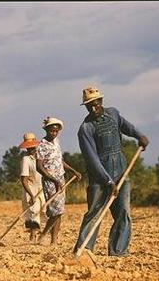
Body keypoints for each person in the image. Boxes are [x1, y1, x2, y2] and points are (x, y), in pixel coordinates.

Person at [73, 86, 149, 257]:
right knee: (94, 213)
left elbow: (126, 126)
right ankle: (84, 251)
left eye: (96, 103)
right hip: (99, 179)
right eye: (89, 105)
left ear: (101, 101)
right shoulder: (85, 129)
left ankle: (118, 251)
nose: (93, 108)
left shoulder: (113, 114)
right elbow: (92, 160)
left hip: (122, 172)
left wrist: (139, 136)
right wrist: (108, 181)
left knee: (123, 212)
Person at [36, 117, 82, 245]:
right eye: (51, 131)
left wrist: (73, 170)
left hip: (61, 179)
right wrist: (54, 180)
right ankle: (45, 233)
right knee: (54, 211)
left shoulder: (56, 142)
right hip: (50, 181)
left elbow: (59, 161)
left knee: (60, 210)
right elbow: (39, 167)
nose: (54, 133)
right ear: (46, 130)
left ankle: (53, 240)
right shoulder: (42, 146)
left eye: (56, 131)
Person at [19, 132, 45, 243]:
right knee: (33, 212)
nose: (31, 149)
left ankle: (42, 236)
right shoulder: (26, 160)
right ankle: (33, 236)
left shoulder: (41, 156)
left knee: (44, 211)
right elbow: (24, 180)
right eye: (28, 147)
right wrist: (31, 194)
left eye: (32, 146)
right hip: (30, 189)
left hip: (42, 188)